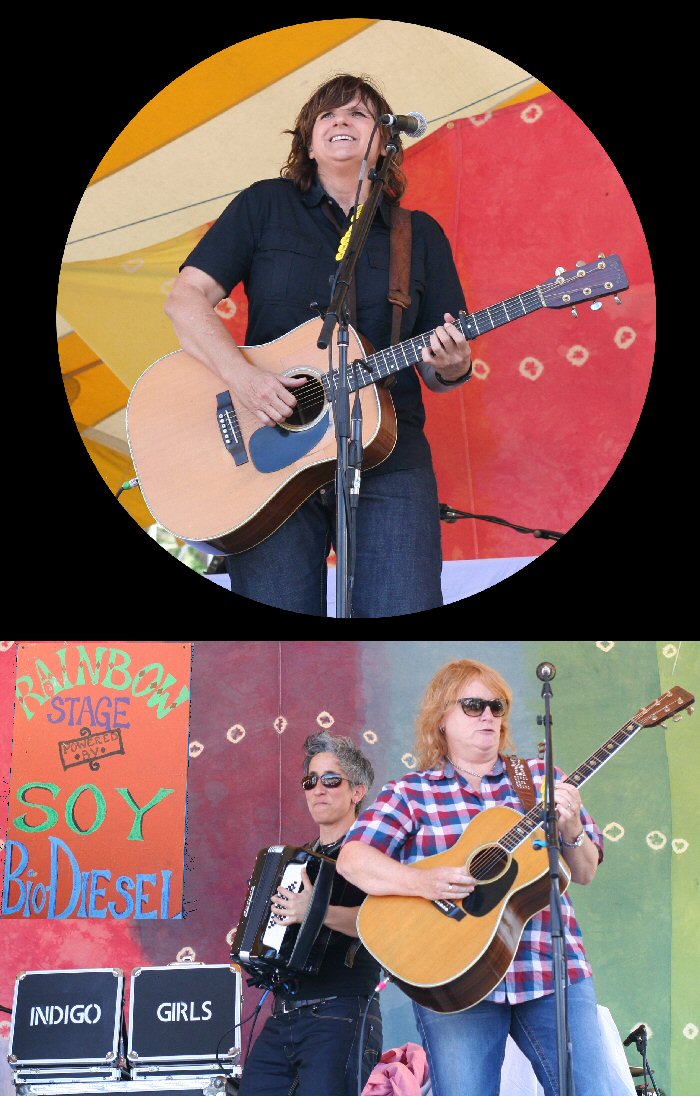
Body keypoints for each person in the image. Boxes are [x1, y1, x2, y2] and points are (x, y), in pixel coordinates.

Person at [165, 74, 472, 617]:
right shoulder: (265, 205)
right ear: (308, 142)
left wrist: (454, 363)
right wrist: (247, 380)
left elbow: (441, 366)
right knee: (281, 651)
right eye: (328, 115)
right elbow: (186, 299)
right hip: (266, 454)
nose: (342, 121)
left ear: (385, 141)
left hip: (388, 454)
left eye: (359, 114)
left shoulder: (417, 235)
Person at [336, 658, 613, 1096]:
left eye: (497, 706)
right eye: (472, 704)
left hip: (550, 968)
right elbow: (352, 859)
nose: (488, 715)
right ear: (441, 718)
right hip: (454, 975)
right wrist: (422, 883)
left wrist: (572, 827)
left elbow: (584, 872)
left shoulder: (541, 780)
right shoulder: (411, 792)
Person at [236, 731, 382, 1096]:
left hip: (340, 1010)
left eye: (332, 780)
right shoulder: (297, 859)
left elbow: (381, 925)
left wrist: (313, 912)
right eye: (310, 780)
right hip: (284, 1013)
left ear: (357, 791)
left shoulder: (372, 853)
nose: (318, 789)